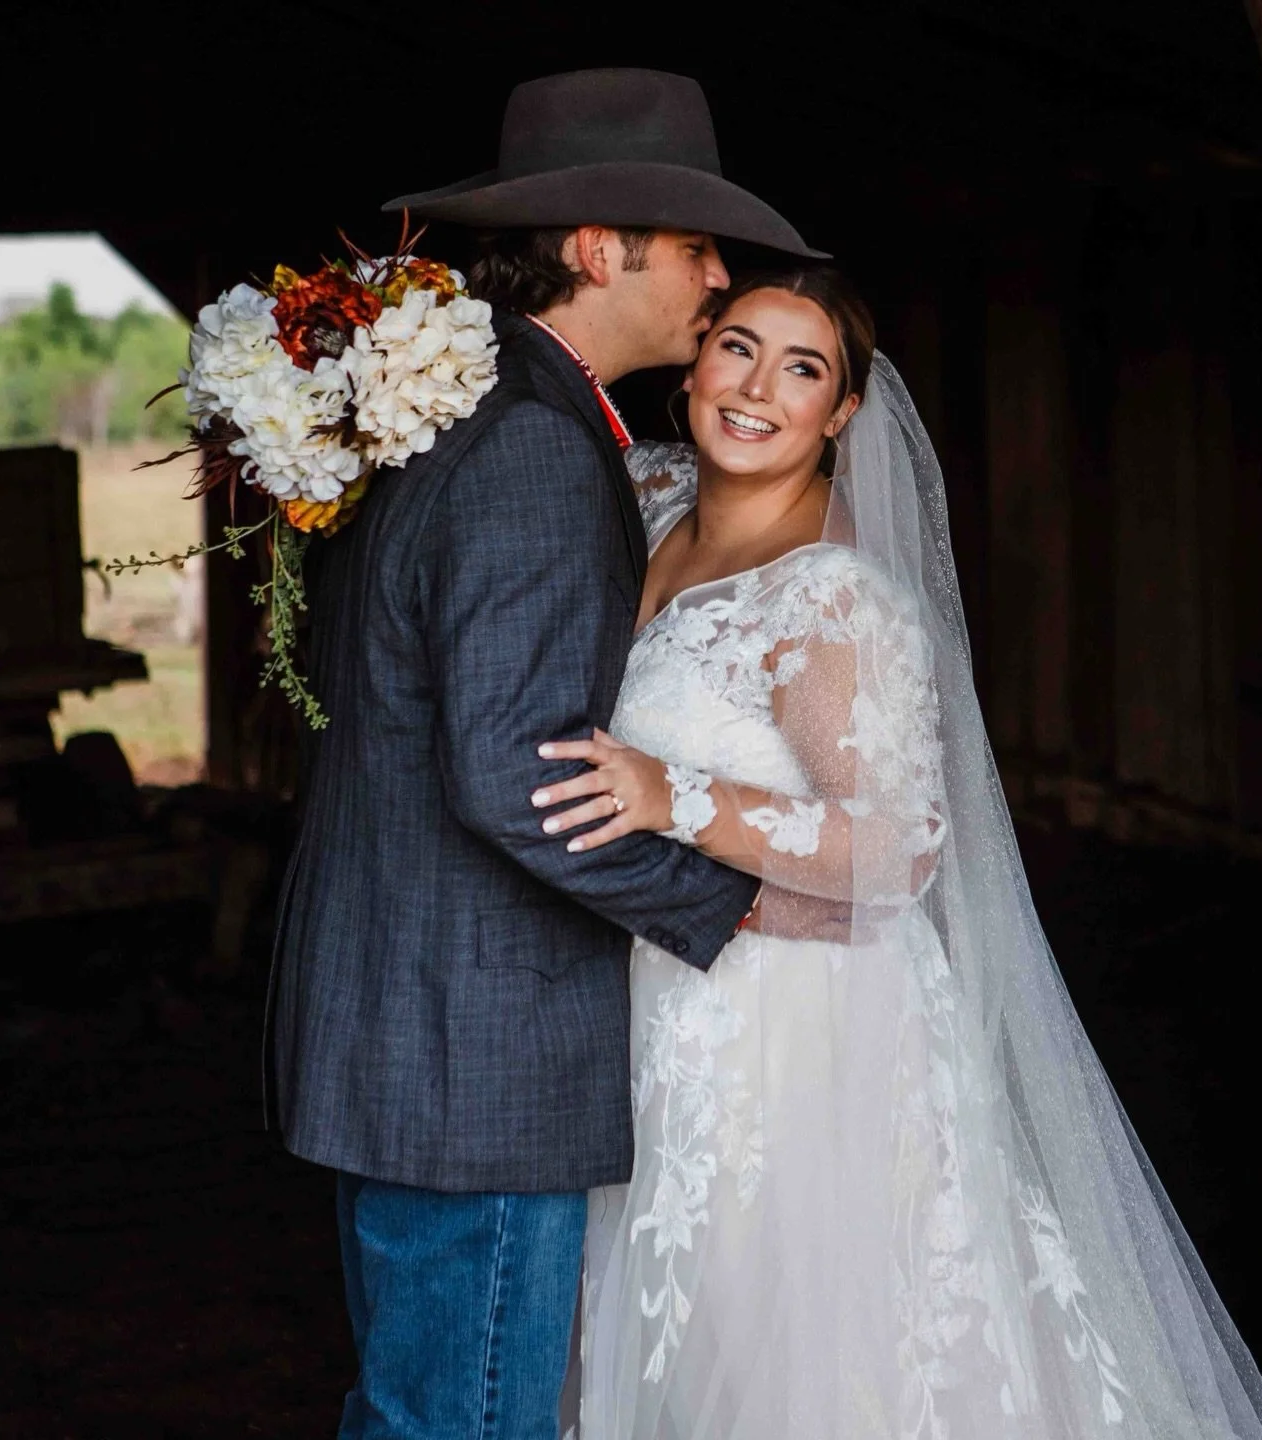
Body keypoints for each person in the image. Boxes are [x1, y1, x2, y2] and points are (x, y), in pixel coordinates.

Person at [531, 270, 1262, 1439]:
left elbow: (899, 848)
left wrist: (666, 792)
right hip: (648, 996)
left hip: (795, 1035)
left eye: (803, 370)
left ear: (840, 416)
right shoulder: (640, 494)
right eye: (738, 348)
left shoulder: (836, 599)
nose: (756, 390)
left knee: (788, 1350)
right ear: (690, 364)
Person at [268, 69, 825, 1440]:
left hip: (419, 1031)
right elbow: (516, 777)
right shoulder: (525, 441)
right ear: (596, 247)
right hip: (476, 1057)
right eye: (696, 246)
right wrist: (734, 898)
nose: (716, 280)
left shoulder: (468, 405)